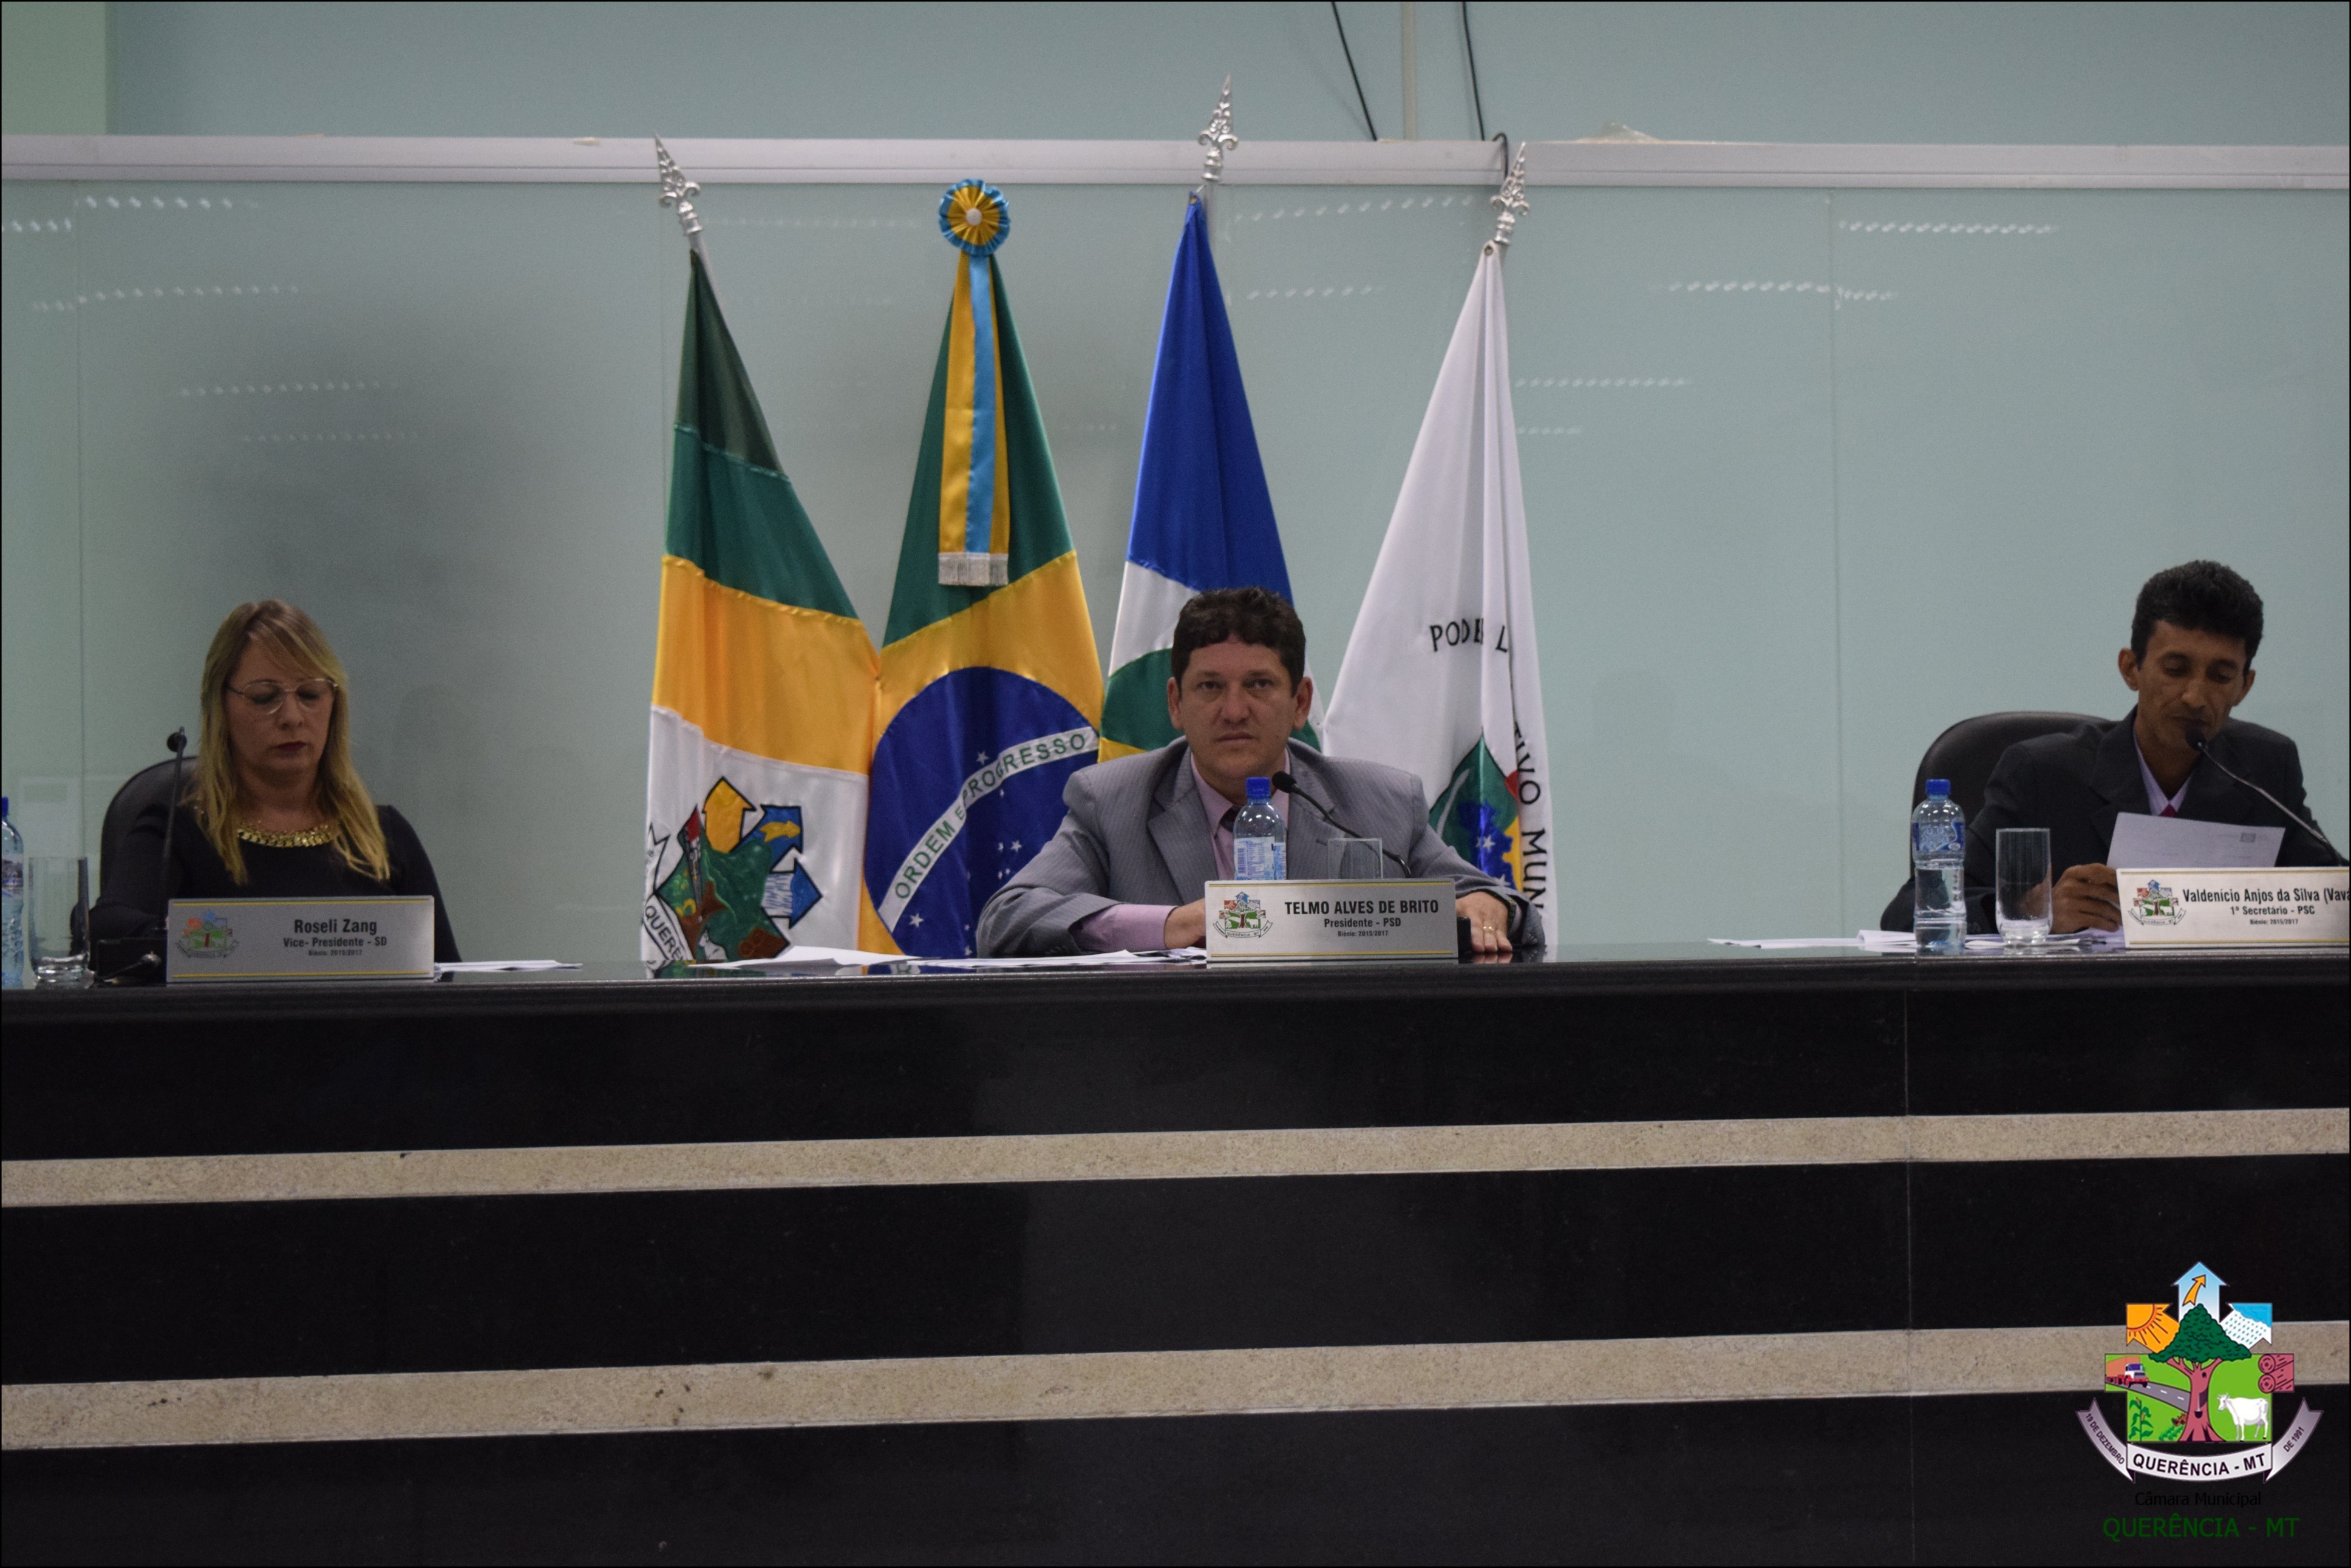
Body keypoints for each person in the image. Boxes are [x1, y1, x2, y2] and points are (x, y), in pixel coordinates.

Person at [978, 587, 1539, 956]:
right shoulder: (1113, 802)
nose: (1234, 710)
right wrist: (1173, 925)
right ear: (1175, 703)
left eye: (1259, 685)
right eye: (1210, 687)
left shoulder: (1380, 801)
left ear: (1300, 703)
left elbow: (1502, 906)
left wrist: (1490, 907)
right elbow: (1007, 919)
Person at [1886, 561, 2334, 935]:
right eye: (2175, 669)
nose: (2196, 697)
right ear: (2131, 668)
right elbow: (1910, 911)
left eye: (2220, 676)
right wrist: (2031, 912)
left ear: (2245, 686)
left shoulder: (2264, 769)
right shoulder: (2043, 774)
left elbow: (2333, 897)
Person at [92, 599, 462, 961]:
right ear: (220, 708)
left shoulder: (385, 836)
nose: (292, 717)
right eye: (264, 697)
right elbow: (102, 930)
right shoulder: (178, 833)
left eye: (310, 694)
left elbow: (449, 982)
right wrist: (199, 941)